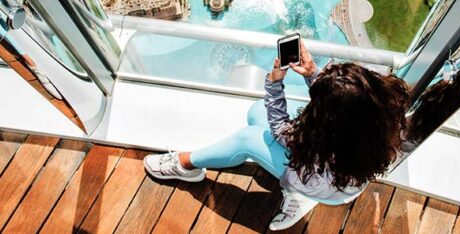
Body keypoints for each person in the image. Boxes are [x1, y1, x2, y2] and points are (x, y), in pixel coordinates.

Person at [144, 41, 411, 230]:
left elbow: (281, 129)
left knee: (248, 138)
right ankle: (296, 192)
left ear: (330, 118)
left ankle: (185, 164)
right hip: (341, 175)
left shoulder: (318, 142)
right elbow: (344, 107)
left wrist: (274, 82)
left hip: (321, 182)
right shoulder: (378, 117)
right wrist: (312, 74)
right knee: (255, 112)